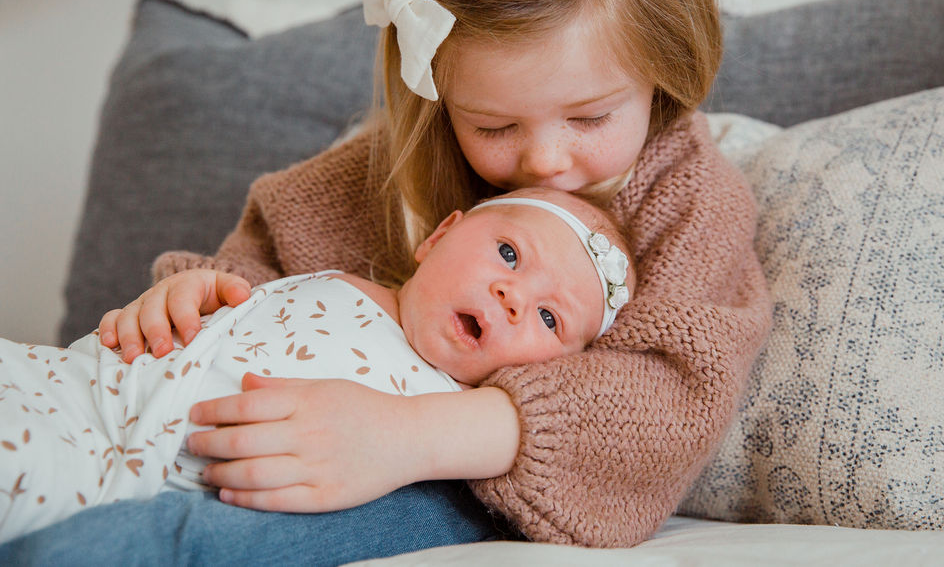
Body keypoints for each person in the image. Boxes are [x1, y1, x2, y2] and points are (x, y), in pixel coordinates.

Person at [1, 0, 771, 563]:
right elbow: (265, 256)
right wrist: (200, 294)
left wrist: (406, 436)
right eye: (495, 126)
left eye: (591, 115)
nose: (543, 159)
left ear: (664, 68)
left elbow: (670, 405)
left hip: (457, 471)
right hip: (208, 414)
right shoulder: (401, 159)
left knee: (205, 528)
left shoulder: (693, 200)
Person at [0, 188, 634, 543]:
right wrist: (181, 296)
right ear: (439, 236)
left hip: (122, 475)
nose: (513, 296)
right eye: (507, 252)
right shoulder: (327, 276)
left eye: (551, 319)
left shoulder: (439, 419)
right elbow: (224, 307)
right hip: (79, 379)